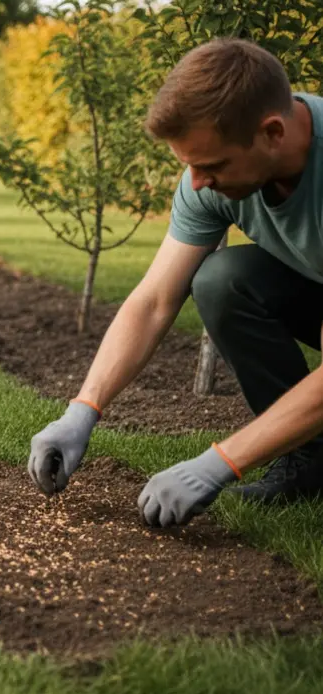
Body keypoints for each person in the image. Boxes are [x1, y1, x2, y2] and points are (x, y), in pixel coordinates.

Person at [27, 38, 323, 528]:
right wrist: (83, 409)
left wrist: (221, 462)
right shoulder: (207, 179)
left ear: (272, 132)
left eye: (211, 166)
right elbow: (154, 300)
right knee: (221, 279)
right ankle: (311, 458)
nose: (198, 182)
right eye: (189, 164)